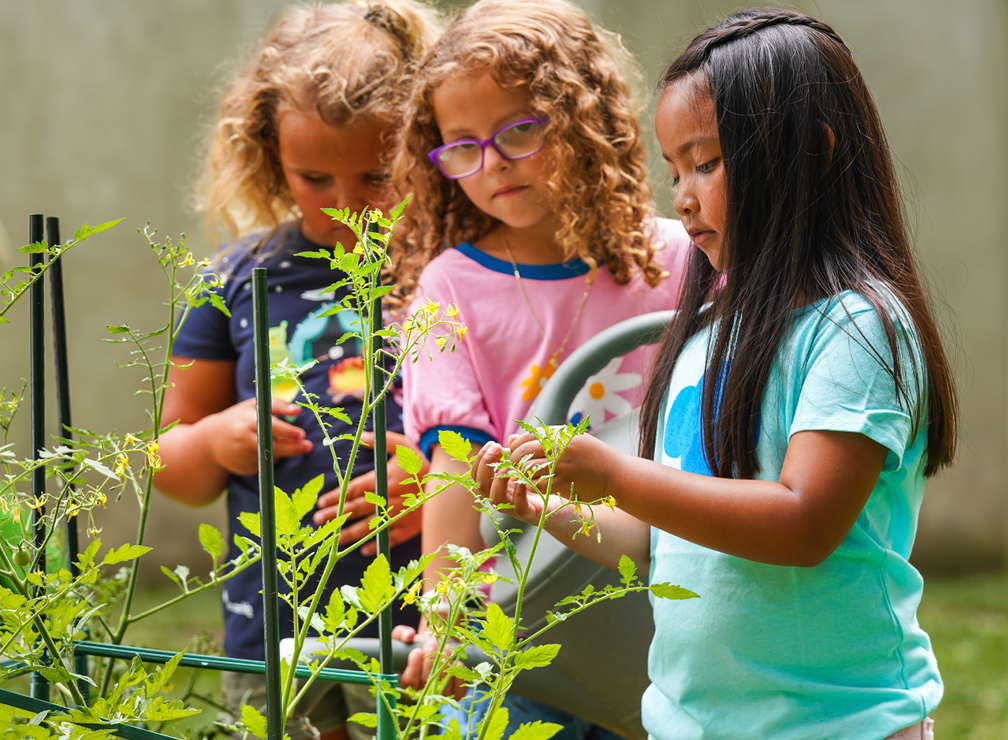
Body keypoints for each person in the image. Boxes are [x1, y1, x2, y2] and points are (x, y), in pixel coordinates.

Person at [475, 9, 957, 740]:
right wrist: (552, 505)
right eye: (673, 170)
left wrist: (615, 475)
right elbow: (649, 536)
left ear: (811, 154)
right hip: (692, 724)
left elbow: (802, 523)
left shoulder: (856, 328)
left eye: (706, 162)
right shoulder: (704, 333)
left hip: (842, 725)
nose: (684, 195)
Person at [386, 1, 691, 737]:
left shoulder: (683, 258)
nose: (491, 164)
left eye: (520, 131)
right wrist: (448, 619)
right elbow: (454, 472)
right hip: (516, 627)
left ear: (582, 117)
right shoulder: (450, 286)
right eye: (461, 145)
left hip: (668, 613)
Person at [154, 3, 440, 739]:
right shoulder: (235, 277)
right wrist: (215, 438)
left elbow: (505, 429)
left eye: (378, 175)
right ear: (267, 155)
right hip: (275, 619)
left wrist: (436, 485)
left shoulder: (452, 272)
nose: (347, 205)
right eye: (314, 177)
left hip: (420, 618)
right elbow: (171, 465)